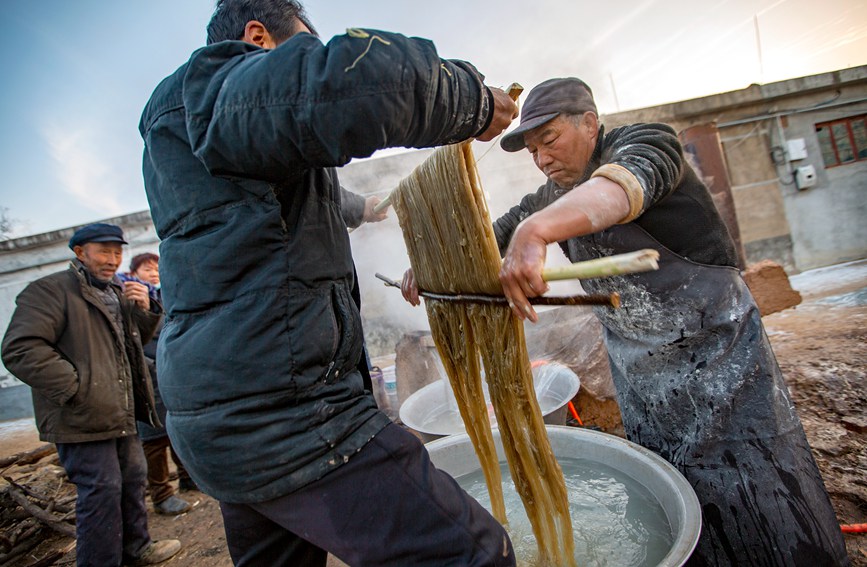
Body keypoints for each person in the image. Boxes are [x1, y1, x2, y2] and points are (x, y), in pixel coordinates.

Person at [408, 77, 849, 565]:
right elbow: (485, 239)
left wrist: (538, 232)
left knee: (760, 487)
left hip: (721, 365)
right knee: (670, 493)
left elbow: (618, 190)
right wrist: (430, 268)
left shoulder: (647, 144)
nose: (542, 159)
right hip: (641, 380)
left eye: (549, 140)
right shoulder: (550, 195)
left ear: (591, 124)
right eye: (532, 150)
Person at [138, 1, 518, 565]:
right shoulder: (215, 85)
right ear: (258, 37)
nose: (308, 57)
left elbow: (266, 202)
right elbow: (352, 80)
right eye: (302, 47)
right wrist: (473, 100)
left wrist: (362, 207)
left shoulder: (201, 130)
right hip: (288, 416)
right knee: (473, 554)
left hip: (223, 417)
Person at [1, 223, 182, 567]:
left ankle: (137, 548)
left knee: (131, 482)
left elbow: (133, 346)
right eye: (103, 251)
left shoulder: (117, 290)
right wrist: (76, 387)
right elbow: (20, 349)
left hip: (120, 412)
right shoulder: (50, 291)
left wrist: (143, 311)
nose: (112, 260)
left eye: (117, 252)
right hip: (80, 416)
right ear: (80, 252)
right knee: (100, 492)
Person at [119, 253, 196, 516]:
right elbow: (130, 340)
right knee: (153, 440)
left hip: (173, 373)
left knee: (178, 429)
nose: (153, 272)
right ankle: (161, 494)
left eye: (156, 268)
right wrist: (149, 364)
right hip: (147, 376)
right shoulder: (127, 299)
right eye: (146, 268)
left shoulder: (166, 296)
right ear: (133, 273)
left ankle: (188, 478)